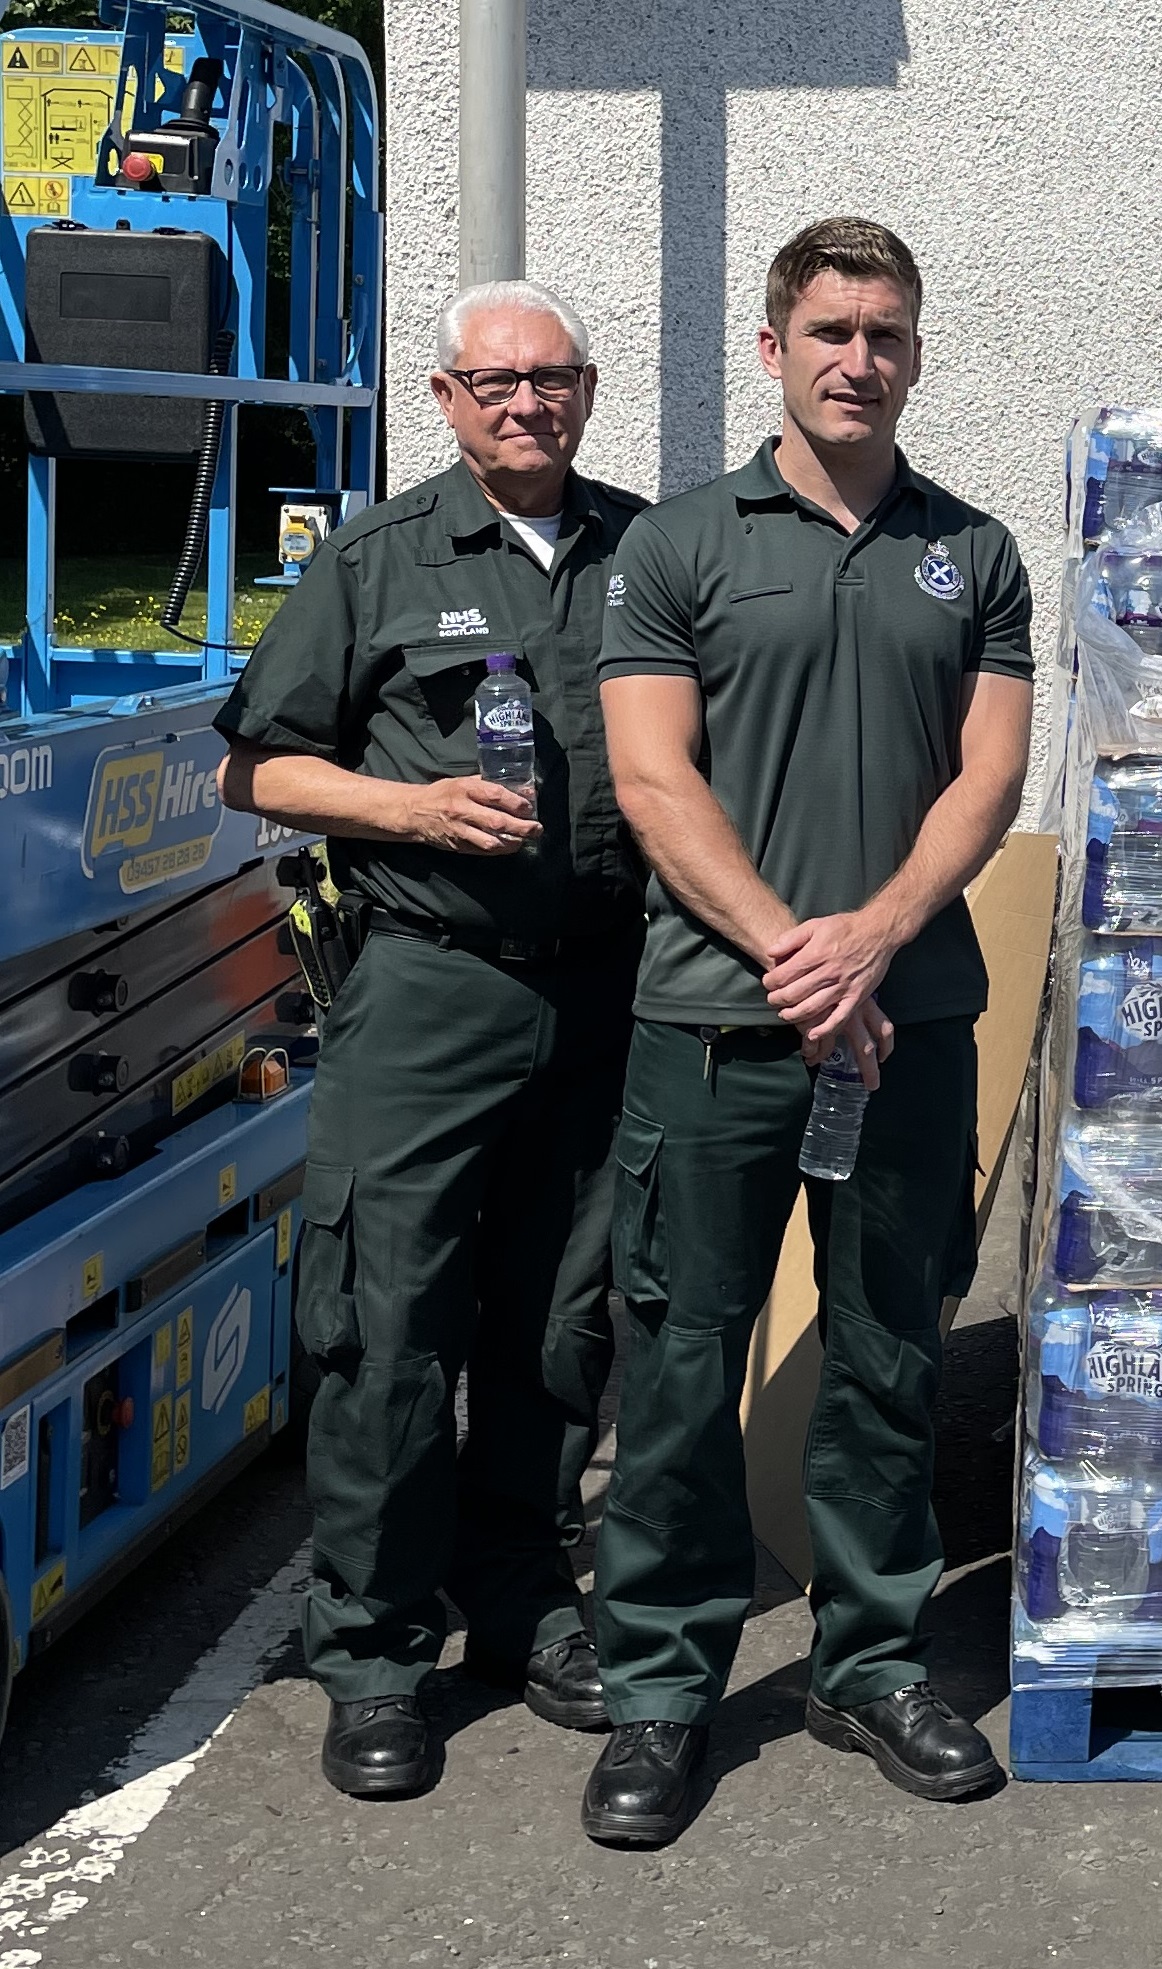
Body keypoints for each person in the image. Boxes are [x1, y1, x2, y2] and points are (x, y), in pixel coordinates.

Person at [583, 217, 1033, 1846]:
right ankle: (657, 1686)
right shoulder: (681, 544)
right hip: (718, 1024)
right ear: (773, 349)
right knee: (681, 1360)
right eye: (831, 330)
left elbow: (990, 775)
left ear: (916, 354)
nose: (859, 359)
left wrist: (878, 936)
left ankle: (870, 1660)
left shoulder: (972, 552)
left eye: (885, 333)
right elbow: (650, 778)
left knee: (888, 1351)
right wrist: (796, 948)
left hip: (906, 1024)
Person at [215, 280, 647, 1798]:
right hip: (426, 985)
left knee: (557, 1320)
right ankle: (375, 1649)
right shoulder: (379, 559)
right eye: (495, 381)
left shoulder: (647, 552)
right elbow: (256, 771)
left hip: (601, 991)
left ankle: (520, 1596)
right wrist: (408, 808)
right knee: (386, 1329)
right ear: (450, 399)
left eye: (553, 377)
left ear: (586, 390)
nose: (527, 402)